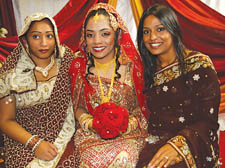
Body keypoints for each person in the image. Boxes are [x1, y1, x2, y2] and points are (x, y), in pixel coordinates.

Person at [136, 4, 221, 168]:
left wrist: (178, 146)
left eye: (160, 29)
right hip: (155, 142)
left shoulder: (198, 65)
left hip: (195, 143)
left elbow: (207, 121)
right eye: (146, 32)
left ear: (173, 29)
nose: (153, 37)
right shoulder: (147, 72)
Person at [69, 3, 149, 168]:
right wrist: (91, 124)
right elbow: (78, 107)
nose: (97, 41)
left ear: (117, 34)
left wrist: (126, 125)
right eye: (90, 35)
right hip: (91, 135)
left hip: (128, 134)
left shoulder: (133, 65)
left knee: (123, 159)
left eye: (105, 34)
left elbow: (142, 107)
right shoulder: (79, 66)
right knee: (90, 163)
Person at [0, 13, 77, 167]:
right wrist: (35, 143)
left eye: (49, 36)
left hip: (67, 134)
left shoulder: (67, 60)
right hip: (24, 142)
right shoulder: (12, 74)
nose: (44, 43)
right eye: (36, 36)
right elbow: (5, 120)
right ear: (25, 40)